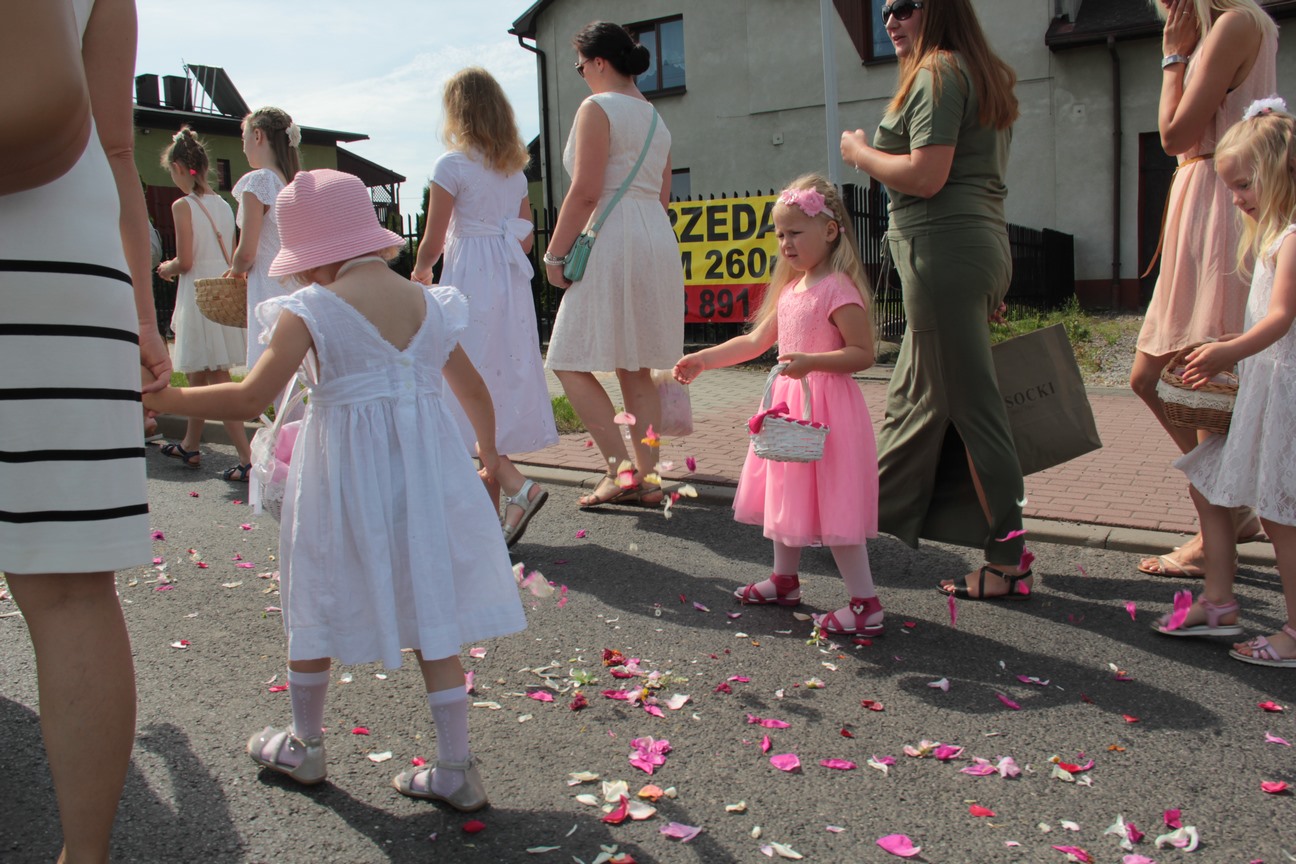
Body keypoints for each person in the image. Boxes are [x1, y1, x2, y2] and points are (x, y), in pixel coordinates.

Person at [142, 169, 526, 808]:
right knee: (430, 609)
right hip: (429, 477)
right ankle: (456, 766)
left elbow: (251, 397)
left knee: (317, 590)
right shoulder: (431, 304)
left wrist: (168, 398)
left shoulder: (312, 309)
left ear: (310, 257)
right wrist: (488, 461)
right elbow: (476, 393)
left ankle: (306, 744)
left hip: (341, 478)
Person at [0, 0, 172, 861]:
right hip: (72, 262)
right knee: (70, 592)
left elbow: (48, 111)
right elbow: (114, 147)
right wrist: (143, 316)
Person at [840, 0, 1029, 600]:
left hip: (943, 251)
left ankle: (1008, 562)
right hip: (971, 248)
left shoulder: (938, 71)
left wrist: (860, 153)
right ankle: (858, 515)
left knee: (974, 411)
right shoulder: (980, 71)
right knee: (916, 395)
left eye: (905, 7)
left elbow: (926, 177)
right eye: (884, 10)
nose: (889, 19)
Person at [673, 177, 885, 635]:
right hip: (791, 408)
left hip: (828, 410)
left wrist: (812, 362)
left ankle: (865, 604)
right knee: (788, 493)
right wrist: (704, 359)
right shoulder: (791, 289)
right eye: (780, 234)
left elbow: (863, 353)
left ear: (830, 231)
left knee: (835, 503)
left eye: (795, 233)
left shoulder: (837, 288)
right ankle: (784, 580)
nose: (785, 243)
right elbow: (754, 342)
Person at [1133, 0, 1277, 578]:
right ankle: (1229, 508)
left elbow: (1173, 135)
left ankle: (1214, 539)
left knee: (1201, 381)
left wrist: (1172, 59)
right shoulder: (1231, 27)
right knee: (1151, 376)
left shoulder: (1236, 22)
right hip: (1201, 199)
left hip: (1217, 204)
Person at [1154, 98, 1296, 667]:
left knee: (1281, 515)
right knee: (1211, 480)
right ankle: (1218, 603)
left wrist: (1229, 352)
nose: (1235, 198)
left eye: (1243, 185)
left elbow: (1281, 318)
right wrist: (1238, 349)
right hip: (1268, 390)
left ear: (1281, 172)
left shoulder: (1291, 238)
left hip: (1283, 396)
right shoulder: (1277, 236)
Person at [412, 67, 557, 546]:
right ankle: (496, 509)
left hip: (470, 277)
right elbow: (526, 235)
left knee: (464, 379)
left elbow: (433, 238)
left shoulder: (451, 165)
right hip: (509, 280)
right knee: (497, 375)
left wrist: (421, 273)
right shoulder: (513, 170)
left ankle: (512, 487)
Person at [542, 21, 684, 509]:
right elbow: (662, 196)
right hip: (655, 237)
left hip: (612, 236)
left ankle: (618, 470)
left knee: (566, 359)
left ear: (598, 62)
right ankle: (649, 477)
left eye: (580, 66)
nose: (581, 74)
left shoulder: (596, 107)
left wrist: (555, 255)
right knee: (636, 368)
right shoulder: (658, 120)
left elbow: (585, 191)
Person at [155, 126, 254, 481]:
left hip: (198, 293)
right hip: (219, 292)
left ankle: (247, 456)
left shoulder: (182, 205)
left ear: (179, 168)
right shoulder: (224, 205)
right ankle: (191, 443)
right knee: (200, 372)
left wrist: (165, 268)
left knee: (215, 376)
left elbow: (184, 261)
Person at [225, 105, 300, 367]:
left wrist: (235, 271)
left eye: (244, 138)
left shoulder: (259, 181)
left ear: (257, 135)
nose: (243, 147)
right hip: (294, 283)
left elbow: (247, 252)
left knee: (270, 362)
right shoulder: (292, 182)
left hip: (268, 284)